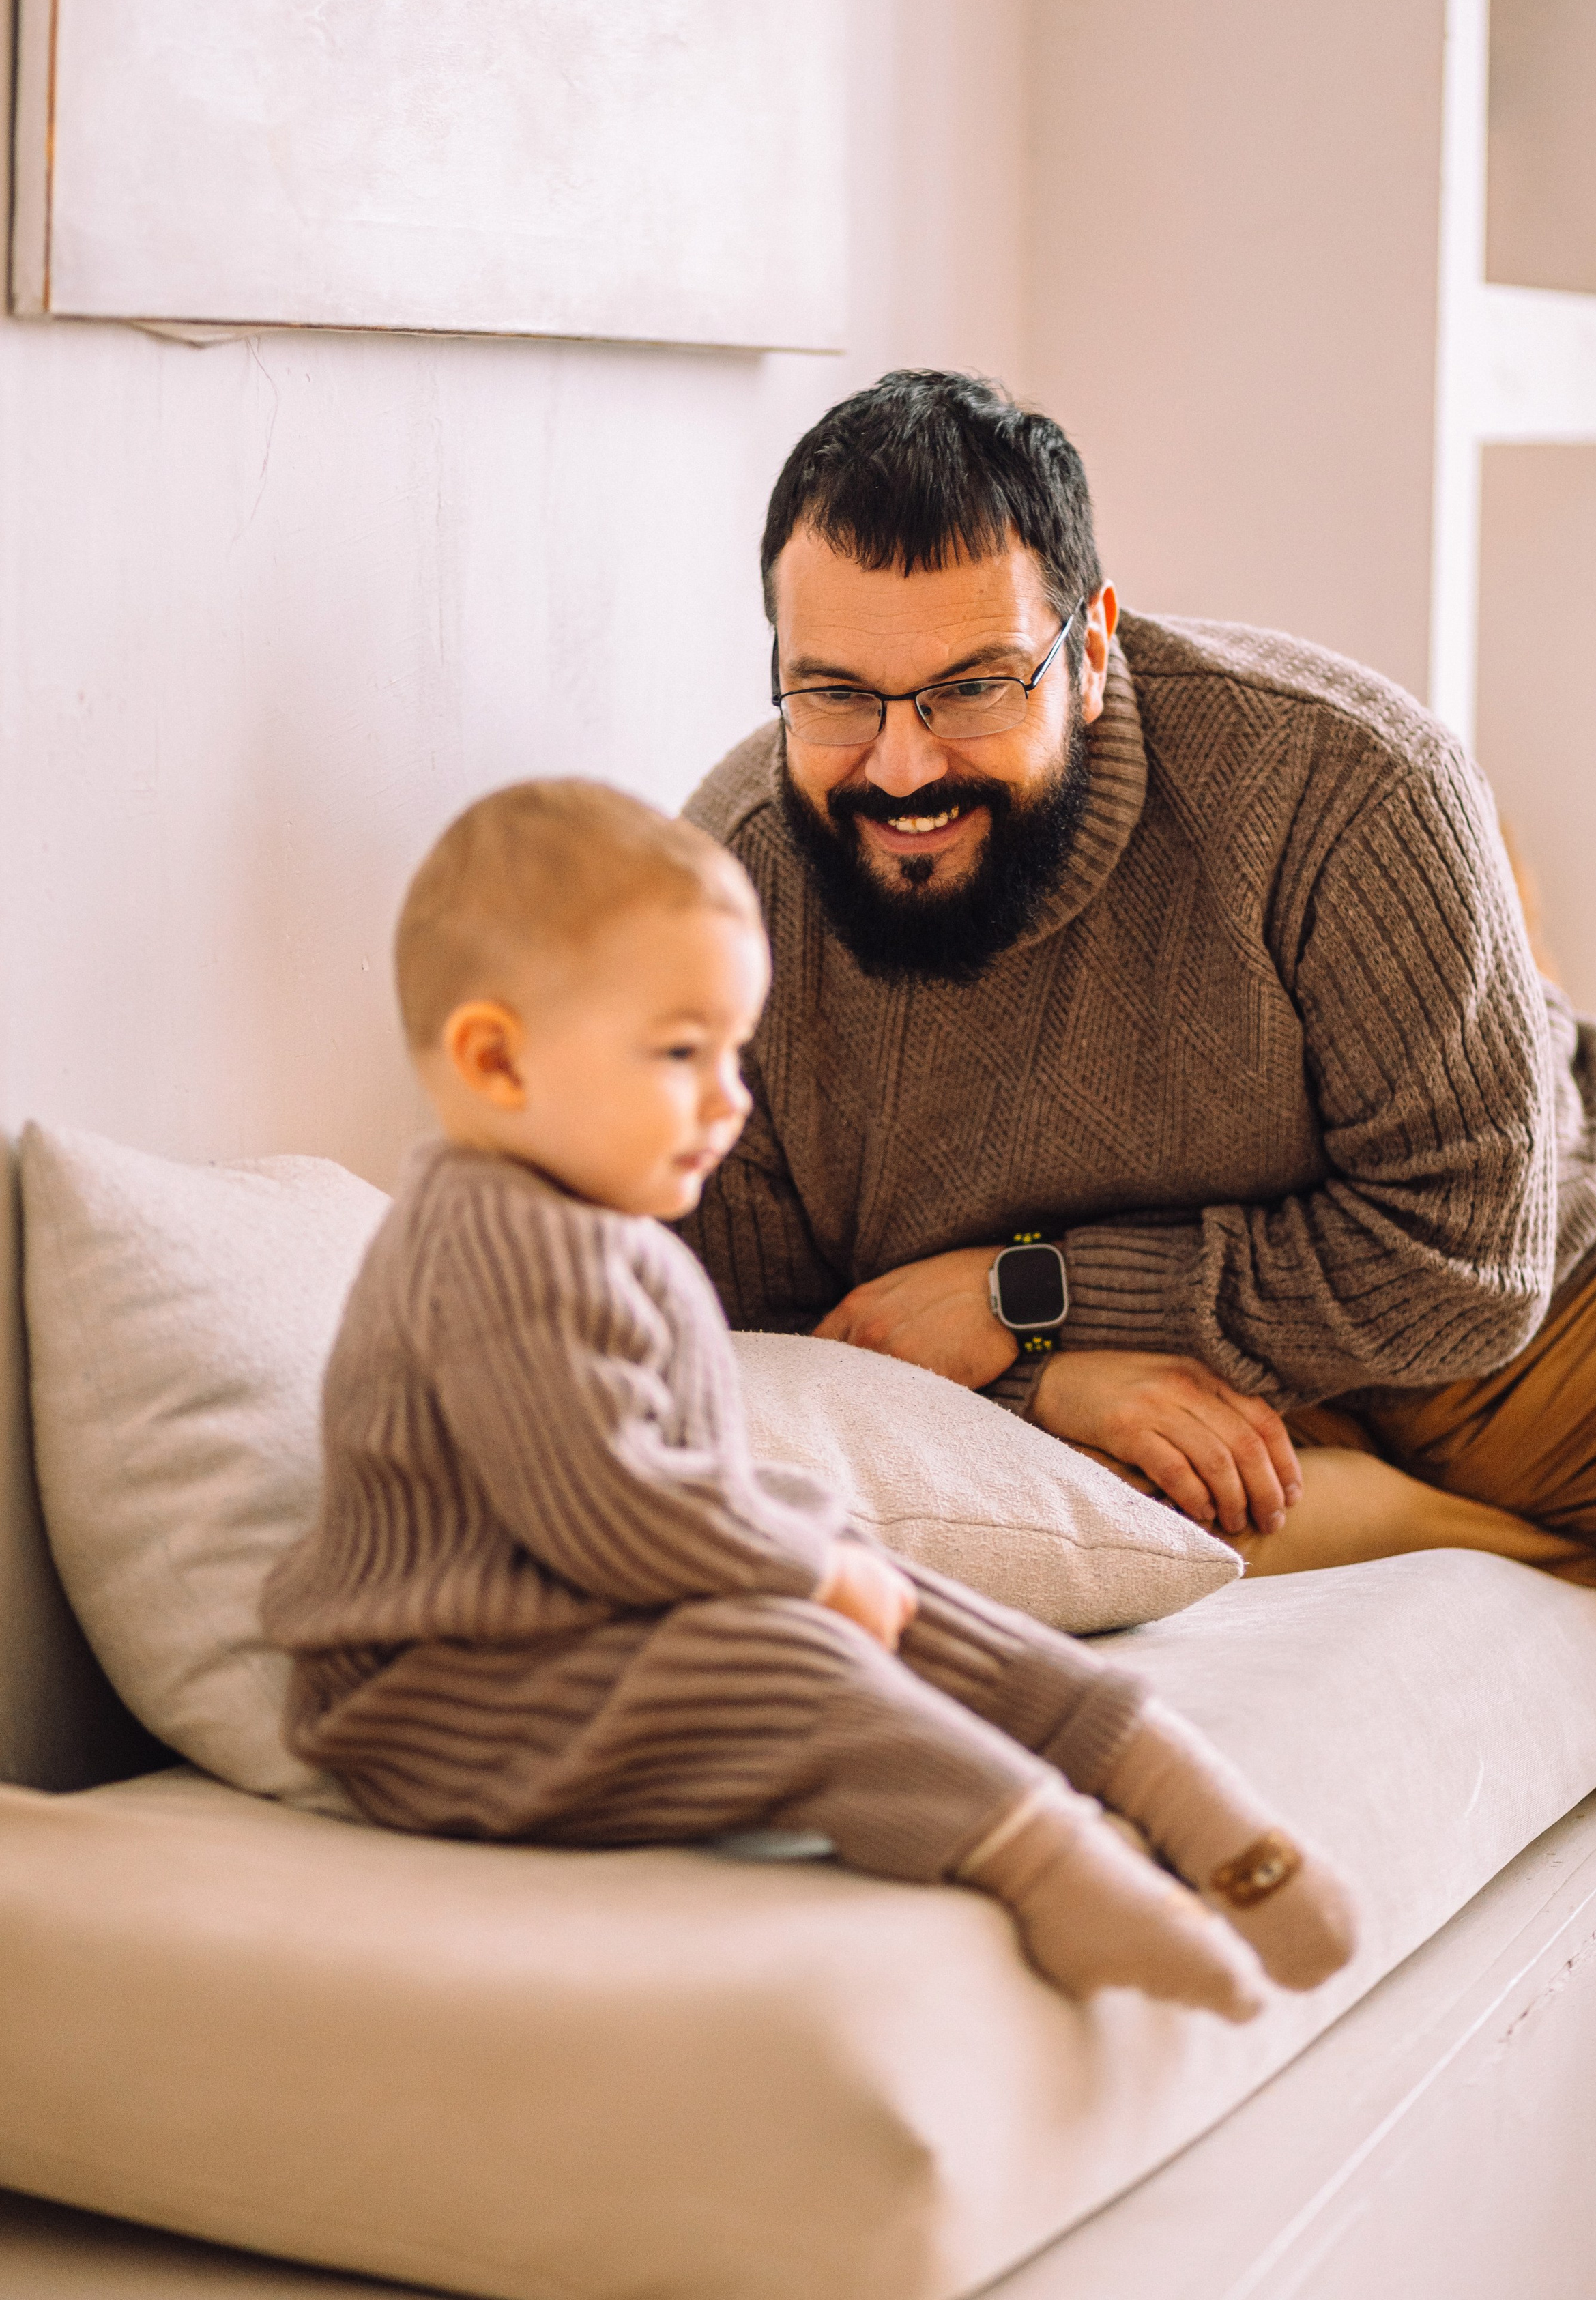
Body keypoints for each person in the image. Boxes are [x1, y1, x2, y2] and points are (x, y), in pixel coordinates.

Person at [681, 369, 1596, 1657]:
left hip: (1559, 1327)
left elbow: (1472, 1267)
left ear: (1090, 651)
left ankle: (1532, 1549)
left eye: (973, 687)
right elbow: (756, 1338)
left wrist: (1036, 1294)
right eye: (838, 693)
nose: (902, 768)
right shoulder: (727, 894)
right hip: (1130, 1409)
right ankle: (1519, 1555)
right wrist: (1050, 1376)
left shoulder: (1348, 777)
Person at [260, 778, 1358, 2011]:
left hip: (579, 1635)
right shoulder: (494, 1245)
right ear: (499, 1062)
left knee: (911, 1602)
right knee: (787, 1648)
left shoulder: (603, 1238)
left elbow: (680, 1491)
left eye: (735, 1050)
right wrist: (805, 1563)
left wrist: (830, 1559)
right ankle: (1054, 1867)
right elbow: (610, 1512)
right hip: (443, 1696)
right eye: (682, 1054)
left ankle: (1178, 1790)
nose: (732, 1098)